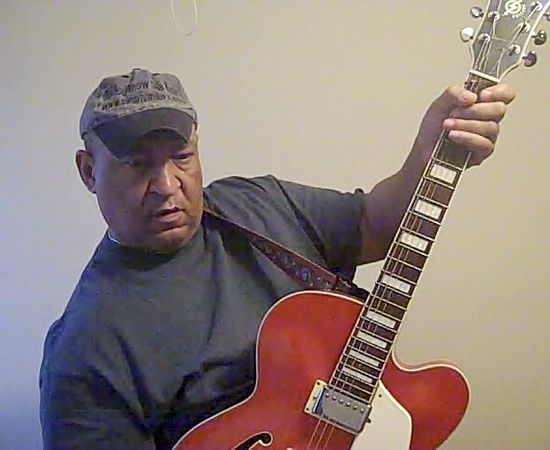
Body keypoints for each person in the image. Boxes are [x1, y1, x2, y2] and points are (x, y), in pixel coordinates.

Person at [39, 68, 515, 449]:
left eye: (181, 156)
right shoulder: (86, 349)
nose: (167, 185)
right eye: (138, 164)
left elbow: (373, 224)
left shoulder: (255, 204)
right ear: (89, 171)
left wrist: (429, 154)